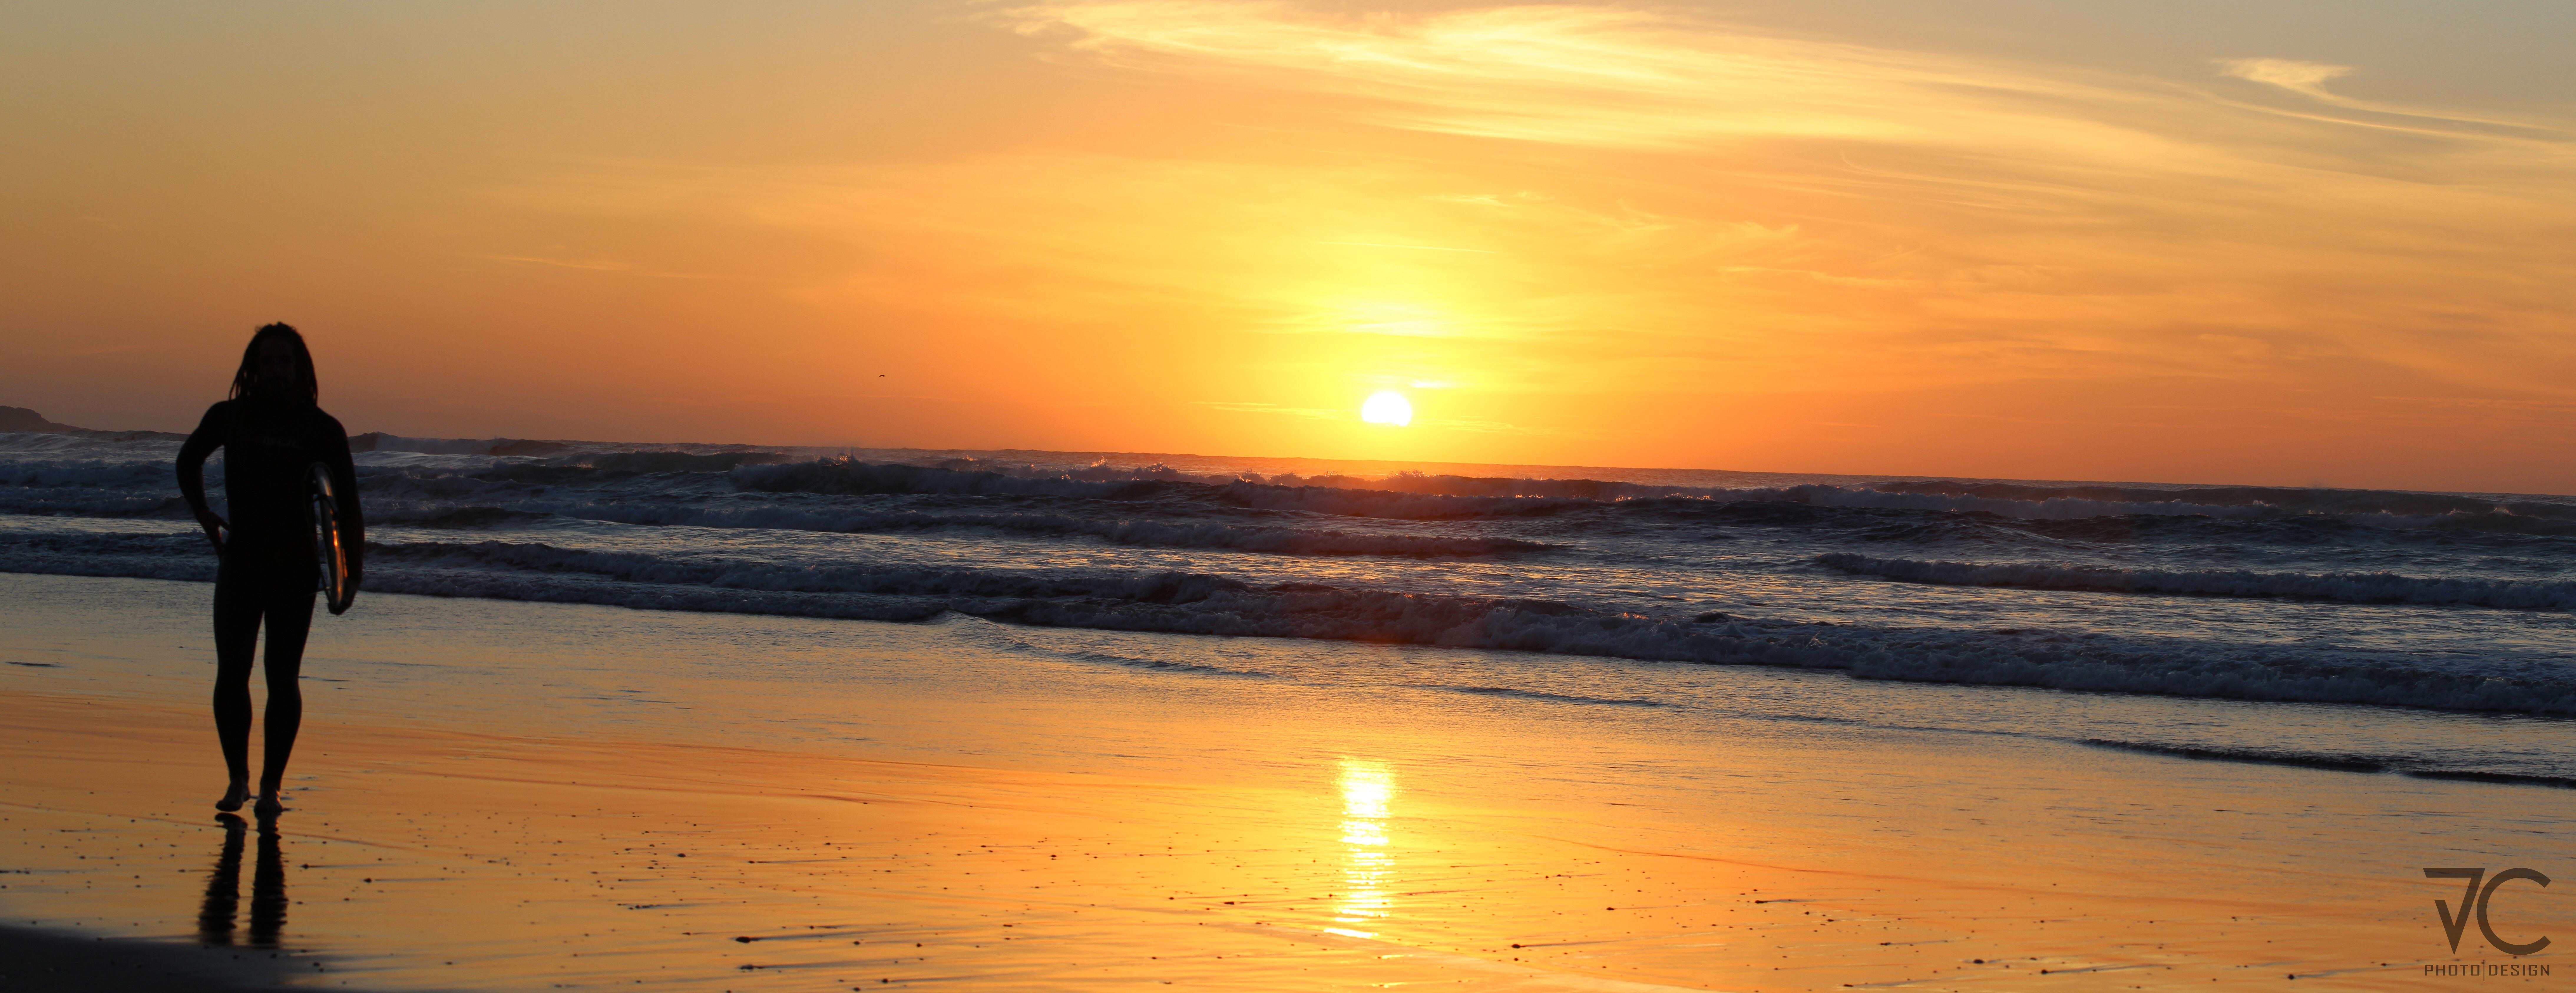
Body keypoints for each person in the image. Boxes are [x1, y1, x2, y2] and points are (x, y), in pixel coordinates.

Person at [176, 323, 364, 817]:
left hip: (296, 570)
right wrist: (203, 514)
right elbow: (187, 459)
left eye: (286, 361)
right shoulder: (231, 417)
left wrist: (351, 575)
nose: (277, 370)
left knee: (283, 678)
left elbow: (347, 507)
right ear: (253, 368)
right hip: (242, 564)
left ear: (300, 368)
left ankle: (272, 784)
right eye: (268, 361)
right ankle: (238, 779)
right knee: (232, 673)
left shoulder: (322, 429)